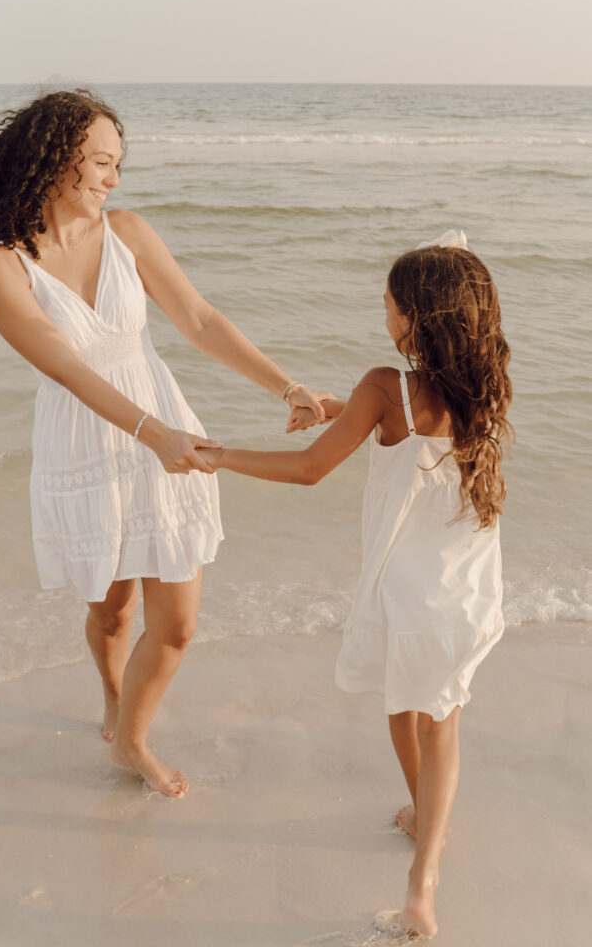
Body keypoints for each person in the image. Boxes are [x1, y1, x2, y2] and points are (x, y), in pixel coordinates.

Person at [0, 89, 329, 799]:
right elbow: (67, 367)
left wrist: (286, 387)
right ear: (54, 162)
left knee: (176, 624)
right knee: (111, 609)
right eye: (101, 162)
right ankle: (113, 695)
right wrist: (152, 433)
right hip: (88, 435)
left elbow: (198, 320)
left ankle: (131, 742)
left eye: (117, 163)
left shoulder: (130, 234)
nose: (113, 178)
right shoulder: (4, 266)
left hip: (160, 419)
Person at [199, 232, 512, 939]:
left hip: (399, 586)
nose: (383, 312)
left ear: (413, 319)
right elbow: (416, 428)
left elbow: (311, 470)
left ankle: (421, 856)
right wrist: (342, 410)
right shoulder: (483, 389)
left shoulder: (384, 386)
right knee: (440, 725)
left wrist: (219, 458)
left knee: (403, 710)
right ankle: (422, 847)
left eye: (388, 303)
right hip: (463, 589)